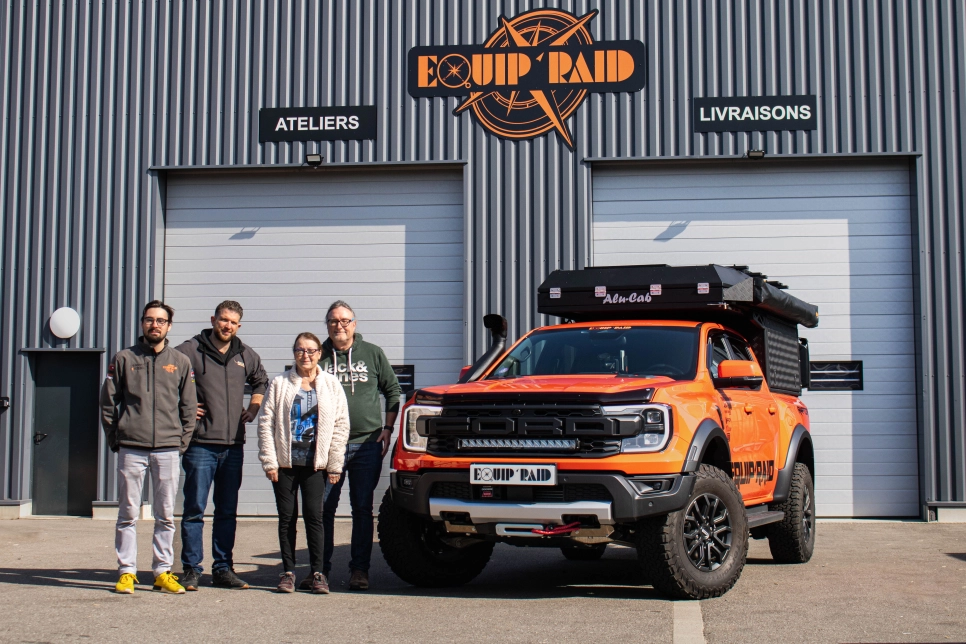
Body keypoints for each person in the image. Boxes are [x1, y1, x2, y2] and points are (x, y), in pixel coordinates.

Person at [100, 300, 198, 595]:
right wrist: (115, 437)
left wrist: (181, 442)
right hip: (132, 447)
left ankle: (162, 571)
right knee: (127, 513)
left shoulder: (180, 362)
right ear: (143, 323)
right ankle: (127, 572)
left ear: (169, 326)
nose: (154, 324)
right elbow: (108, 403)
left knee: (165, 514)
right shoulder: (124, 358)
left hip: (167, 449)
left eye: (160, 320)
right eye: (149, 319)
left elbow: (189, 406)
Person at [175, 300, 269, 591]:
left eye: (233, 322)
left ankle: (223, 569)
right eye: (223, 320)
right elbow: (167, 378)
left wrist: (253, 410)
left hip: (233, 447)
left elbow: (261, 382)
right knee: (194, 509)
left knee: (227, 511)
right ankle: (191, 569)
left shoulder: (245, 354)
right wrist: (185, 407)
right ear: (213, 319)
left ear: (238, 326)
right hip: (200, 445)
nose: (227, 325)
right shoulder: (189, 350)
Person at [257, 332, 350, 594]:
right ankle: (287, 572)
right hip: (286, 464)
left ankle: (318, 573)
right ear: (294, 353)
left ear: (320, 353)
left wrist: (334, 464)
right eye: (300, 350)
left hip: (315, 465)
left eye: (311, 350)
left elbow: (341, 426)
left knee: (314, 518)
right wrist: (269, 461)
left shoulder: (331, 385)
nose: (305, 355)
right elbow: (266, 423)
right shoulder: (279, 383)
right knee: (287, 518)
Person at [318, 300, 401, 591]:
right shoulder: (319, 357)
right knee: (323, 509)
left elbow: (393, 391)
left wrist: (388, 429)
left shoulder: (372, 353)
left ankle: (359, 571)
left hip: (367, 444)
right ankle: (320, 571)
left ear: (354, 323)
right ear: (326, 325)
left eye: (344, 320)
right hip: (329, 447)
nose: (339, 325)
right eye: (333, 321)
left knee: (362, 509)